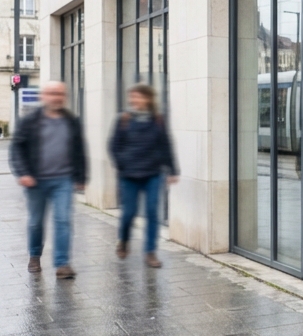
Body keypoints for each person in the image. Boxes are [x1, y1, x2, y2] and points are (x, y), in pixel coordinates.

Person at [10, 80, 89, 279]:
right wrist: (23, 173)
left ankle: (62, 264)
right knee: (36, 222)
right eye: (52, 93)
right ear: (43, 96)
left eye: (60, 94)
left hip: (63, 179)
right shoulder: (30, 121)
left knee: (63, 220)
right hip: (36, 181)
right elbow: (17, 148)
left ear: (65, 97)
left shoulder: (72, 121)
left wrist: (81, 176)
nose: (56, 97)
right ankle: (35, 255)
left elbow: (80, 150)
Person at [108, 83, 179, 268]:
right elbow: (114, 146)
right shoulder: (123, 119)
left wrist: (172, 169)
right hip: (129, 175)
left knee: (152, 213)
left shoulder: (157, 120)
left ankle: (150, 252)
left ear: (147, 99)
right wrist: (123, 164)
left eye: (138, 96)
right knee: (128, 213)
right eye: (132, 97)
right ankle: (123, 240)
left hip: (153, 174)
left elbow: (166, 145)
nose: (134, 100)